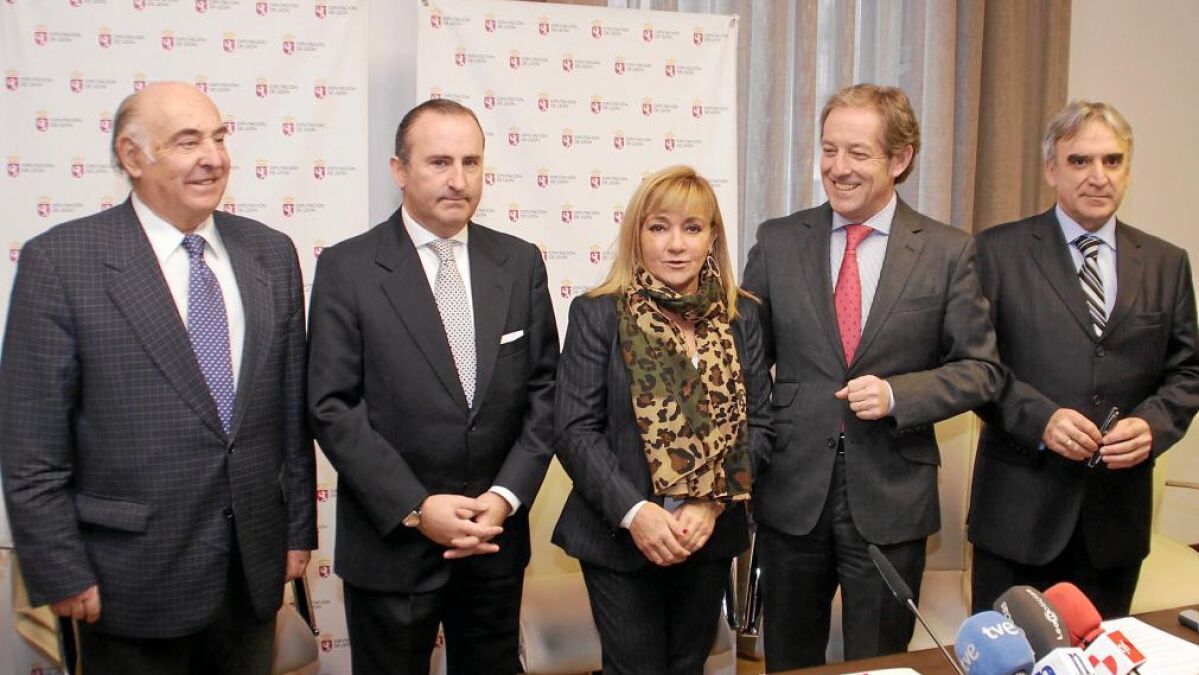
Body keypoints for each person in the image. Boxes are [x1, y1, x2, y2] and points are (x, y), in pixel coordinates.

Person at [0, 82, 315, 674]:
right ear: (132, 156)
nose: (213, 158)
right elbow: (31, 447)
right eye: (188, 142)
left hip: (250, 576)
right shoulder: (62, 262)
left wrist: (297, 531)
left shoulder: (270, 253)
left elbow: (290, 415)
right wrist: (60, 569)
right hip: (126, 581)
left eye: (219, 138)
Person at [742, 83, 1001, 668]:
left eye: (858, 153)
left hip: (891, 497)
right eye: (829, 150)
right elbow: (745, 361)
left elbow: (981, 370)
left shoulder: (947, 251)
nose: (838, 168)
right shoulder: (778, 240)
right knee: (790, 662)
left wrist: (896, 393)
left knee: (879, 663)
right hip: (791, 493)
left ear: (900, 158)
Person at [306, 99, 558, 674]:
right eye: (439, 162)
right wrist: (418, 508)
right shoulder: (348, 268)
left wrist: (504, 498)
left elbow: (546, 392)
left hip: (493, 545)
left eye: (471, 162)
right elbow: (332, 407)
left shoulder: (519, 263)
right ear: (399, 170)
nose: (458, 180)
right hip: (392, 550)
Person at [968, 100, 1199, 618]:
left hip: (1115, 524)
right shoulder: (996, 252)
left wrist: (1153, 426)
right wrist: (1040, 419)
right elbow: (975, 366)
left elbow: (1187, 372)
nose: (1098, 176)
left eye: (1112, 161)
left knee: (1103, 655)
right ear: (1051, 169)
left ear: (1128, 170)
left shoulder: (1166, 263)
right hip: (1017, 517)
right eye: (1080, 161)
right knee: (1010, 656)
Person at [552, 165, 771, 674]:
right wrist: (636, 513)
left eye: (692, 228)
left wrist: (710, 503)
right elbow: (574, 430)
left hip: (707, 535)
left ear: (712, 237)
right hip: (619, 537)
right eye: (659, 227)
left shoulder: (740, 316)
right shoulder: (598, 312)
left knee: (687, 667)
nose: (676, 244)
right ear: (637, 234)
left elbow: (760, 426)